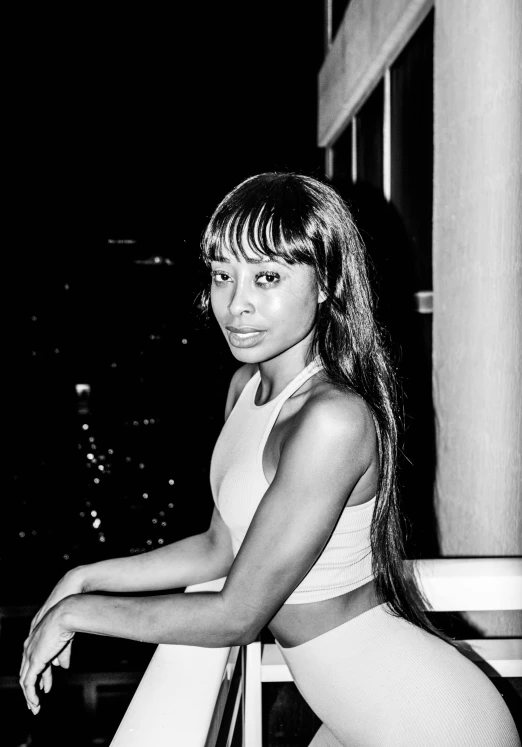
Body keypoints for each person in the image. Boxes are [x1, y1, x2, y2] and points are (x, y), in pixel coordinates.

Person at [20, 173, 519, 745]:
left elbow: (238, 616)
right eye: (222, 276)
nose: (236, 305)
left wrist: (77, 615)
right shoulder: (246, 387)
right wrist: (82, 578)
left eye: (267, 277)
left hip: (427, 718)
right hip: (354, 712)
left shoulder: (333, 418)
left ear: (326, 281)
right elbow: (221, 546)